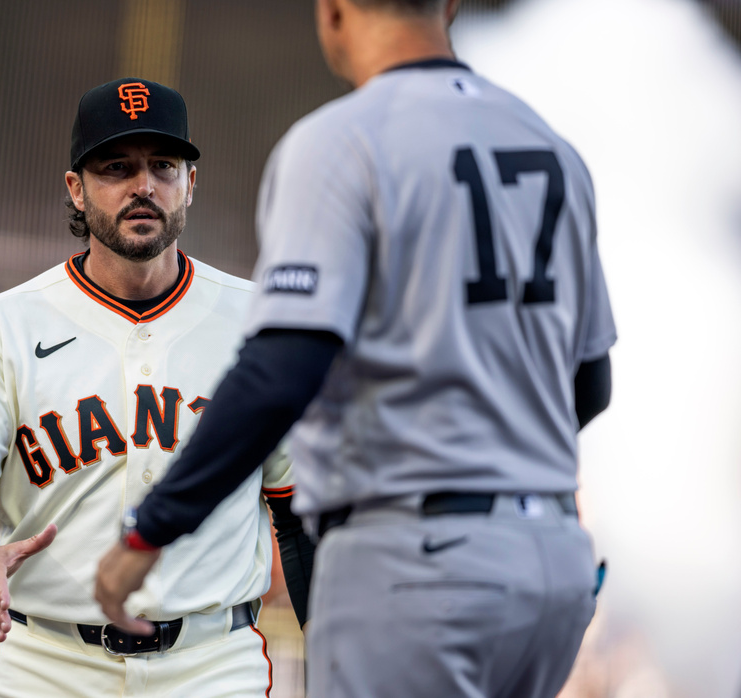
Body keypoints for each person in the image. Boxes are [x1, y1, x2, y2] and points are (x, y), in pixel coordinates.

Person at [94, 1, 617, 697]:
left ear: (333, 11)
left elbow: (282, 374)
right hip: (552, 564)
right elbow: (591, 384)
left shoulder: (340, 141)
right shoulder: (551, 144)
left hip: (417, 564)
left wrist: (151, 531)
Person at [0, 77, 313, 698]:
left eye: (163, 166)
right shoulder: (7, 325)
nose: (143, 186)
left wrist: (336, 650)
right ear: (76, 188)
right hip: (49, 664)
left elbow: (298, 517)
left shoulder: (256, 319)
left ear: (189, 184)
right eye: (116, 167)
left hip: (214, 664)